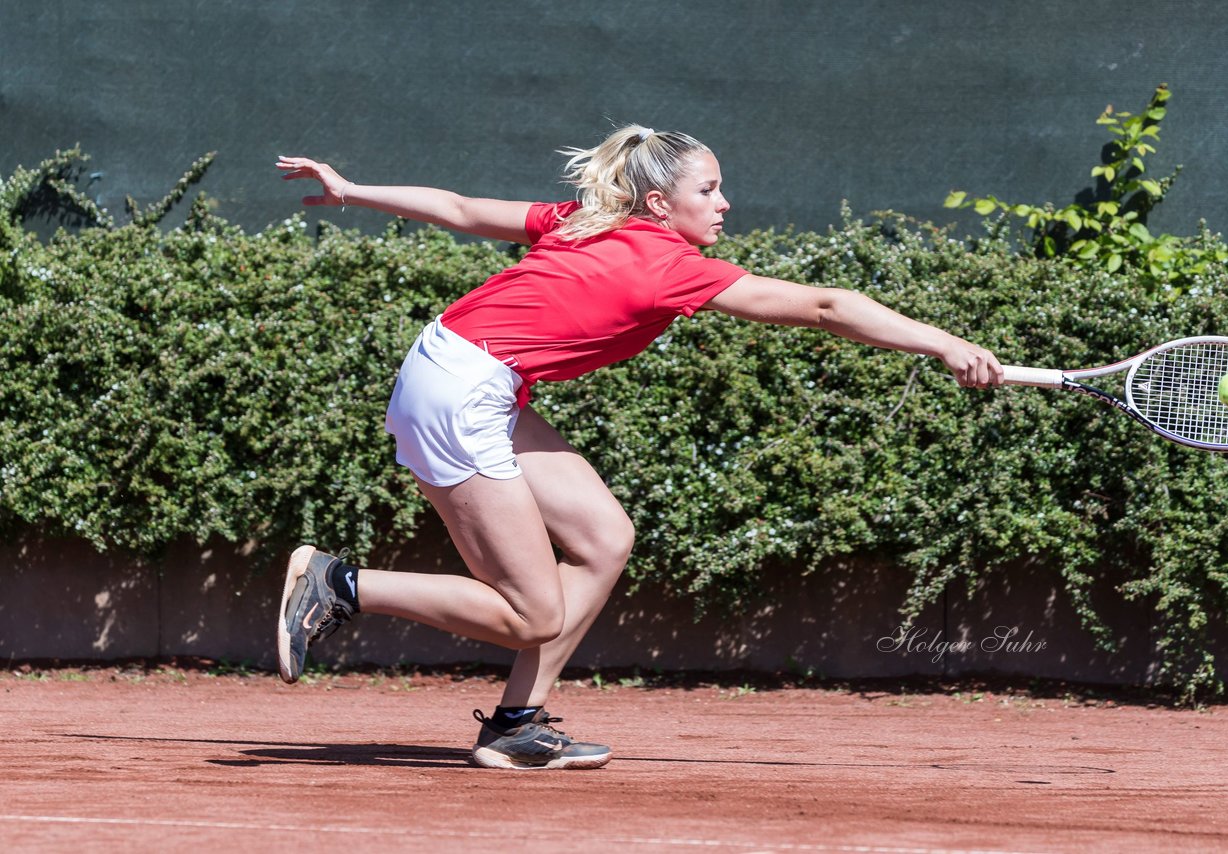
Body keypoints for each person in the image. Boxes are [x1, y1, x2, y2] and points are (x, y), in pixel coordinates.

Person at [273, 125, 1003, 771]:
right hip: (460, 390)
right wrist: (942, 343)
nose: (724, 203)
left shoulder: (586, 224)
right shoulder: (664, 263)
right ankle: (339, 585)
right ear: (659, 204)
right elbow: (823, 306)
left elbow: (462, 210)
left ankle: (516, 727)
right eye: (709, 189)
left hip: (466, 373)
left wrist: (351, 190)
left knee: (602, 538)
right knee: (533, 613)